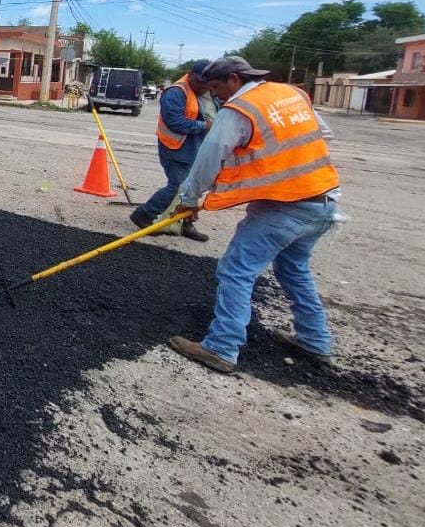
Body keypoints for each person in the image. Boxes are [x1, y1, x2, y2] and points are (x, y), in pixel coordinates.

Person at [167, 56, 341, 374]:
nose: (214, 94)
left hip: (284, 206)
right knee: (294, 270)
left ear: (234, 79)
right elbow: (322, 136)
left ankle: (221, 348)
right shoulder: (291, 95)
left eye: (217, 87)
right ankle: (315, 340)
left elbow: (210, 157)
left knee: (236, 269)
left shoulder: (240, 108)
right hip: (324, 200)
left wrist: (189, 199)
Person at [130, 60, 214, 241]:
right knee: (177, 187)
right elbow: (174, 121)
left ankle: (184, 223)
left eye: (208, 82)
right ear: (190, 74)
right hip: (176, 148)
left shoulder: (205, 94)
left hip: (195, 148)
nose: (204, 86)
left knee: (190, 189)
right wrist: (203, 125)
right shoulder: (176, 92)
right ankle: (144, 214)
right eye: (200, 81)